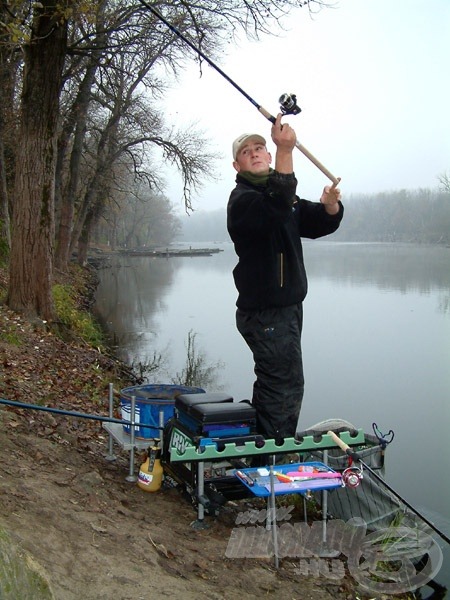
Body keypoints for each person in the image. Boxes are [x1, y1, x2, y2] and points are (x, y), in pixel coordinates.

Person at [227, 113, 343, 443]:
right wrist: (286, 151)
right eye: (246, 151)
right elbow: (276, 205)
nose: (255, 152)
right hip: (267, 313)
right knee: (284, 387)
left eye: (260, 147)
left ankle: (261, 447)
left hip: (287, 310)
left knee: (276, 383)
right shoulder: (243, 202)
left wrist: (331, 206)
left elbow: (317, 222)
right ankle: (272, 456)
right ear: (238, 167)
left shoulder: (284, 199)